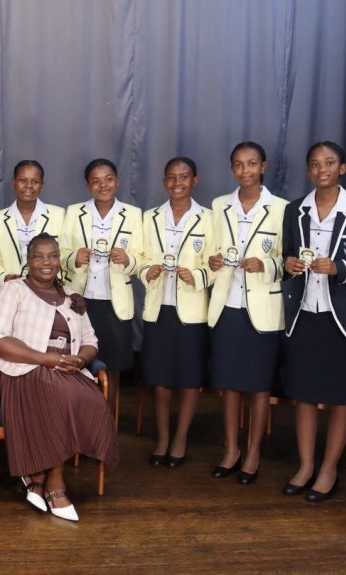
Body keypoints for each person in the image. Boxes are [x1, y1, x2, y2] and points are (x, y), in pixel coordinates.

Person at [0, 233, 118, 522]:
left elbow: (90, 340)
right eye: (39, 256)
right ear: (28, 261)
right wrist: (46, 359)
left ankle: (37, 476)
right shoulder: (13, 290)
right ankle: (55, 481)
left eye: (53, 256)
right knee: (61, 396)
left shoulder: (71, 295)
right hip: (24, 368)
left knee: (93, 399)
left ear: (59, 260)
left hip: (67, 369)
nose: (46, 262)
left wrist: (81, 360)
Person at [280, 142, 346, 502]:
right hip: (304, 313)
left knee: (342, 396)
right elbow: (287, 254)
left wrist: (340, 268)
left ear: (342, 168)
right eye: (315, 164)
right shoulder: (295, 210)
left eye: (330, 163)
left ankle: (329, 468)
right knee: (304, 394)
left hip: (344, 317)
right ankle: (306, 465)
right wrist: (289, 264)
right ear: (308, 171)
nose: (322, 169)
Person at [207, 141, 288, 485]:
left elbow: (289, 259)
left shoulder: (282, 208)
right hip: (226, 305)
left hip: (263, 309)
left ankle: (253, 452)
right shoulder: (219, 205)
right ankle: (231, 449)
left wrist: (266, 264)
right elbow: (211, 251)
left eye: (252, 164)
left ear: (263, 167)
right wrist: (212, 261)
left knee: (258, 386)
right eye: (239, 165)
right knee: (229, 384)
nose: (245, 170)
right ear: (232, 169)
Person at [138, 157, 213, 468]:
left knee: (189, 379)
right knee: (160, 380)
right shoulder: (150, 217)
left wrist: (196, 276)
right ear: (164, 182)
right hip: (158, 308)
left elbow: (215, 262)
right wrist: (147, 271)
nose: (177, 182)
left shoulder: (209, 218)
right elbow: (139, 257)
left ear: (194, 181)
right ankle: (163, 437)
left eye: (184, 177)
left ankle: (181, 438)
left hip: (191, 311)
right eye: (171, 177)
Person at [59, 158, 143, 411]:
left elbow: (142, 260)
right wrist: (75, 258)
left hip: (115, 303)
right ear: (88, 186)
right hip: (80, 302)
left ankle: (108, 417)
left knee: (113, 366)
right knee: (78, 361)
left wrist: (128, 259)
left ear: (117, 181)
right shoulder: (74, 212)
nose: (103, 185)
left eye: (108, 179)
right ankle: (82, 416)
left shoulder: (133, 215)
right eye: (95, 181)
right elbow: (61, 254)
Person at [0, 160, 65, 285]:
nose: (28, 186)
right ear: (13, 183)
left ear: (41, 186)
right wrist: (3, 278)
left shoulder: (59, 215)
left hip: (49, 287)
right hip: (13, 288)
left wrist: (56, 282)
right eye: (22, 180)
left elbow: (65, 254)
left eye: (35, 182)